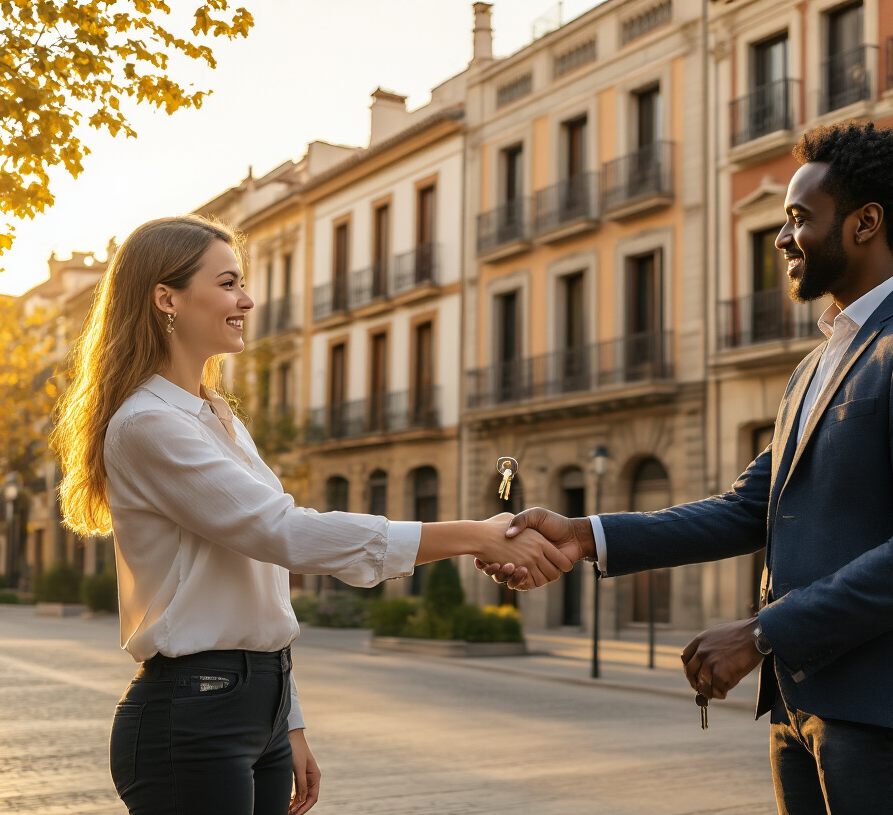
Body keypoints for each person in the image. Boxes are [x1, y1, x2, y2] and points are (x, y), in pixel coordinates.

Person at [484, 122, 893, 814]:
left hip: (886, 704)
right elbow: (744, 508)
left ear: (865, 223)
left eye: (798, 219)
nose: (783, 239)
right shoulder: (820, 362)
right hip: (799, 699)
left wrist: (763, 632)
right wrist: (585, 534)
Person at [50, 215, 572, 815]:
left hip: (256, 707)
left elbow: (262, 581)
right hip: (193, 716)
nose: (246, 299)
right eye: (226, 283)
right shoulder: (149, 424)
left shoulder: (216, 414)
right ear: (166, 298)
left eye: (240, 282)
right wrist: (472, 536)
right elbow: (284, 532)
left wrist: (286, 720)